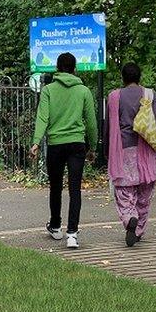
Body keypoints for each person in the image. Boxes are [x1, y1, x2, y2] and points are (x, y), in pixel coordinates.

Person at [30, 52, 98, 249]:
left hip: (55, 144)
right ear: (74, 68)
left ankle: (56, 226)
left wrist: (36, 142)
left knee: (56, 186)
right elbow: (91, 123)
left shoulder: (49, 90)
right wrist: (92, 147)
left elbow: (43, 117)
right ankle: (72, 234)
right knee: (75, 189)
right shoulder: (84, 91)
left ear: (57, 68)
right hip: (77, 144)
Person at [107, 62, 156, 247]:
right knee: (144, 193)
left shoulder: (114, 96)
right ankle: (139, 229)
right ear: (139, 76)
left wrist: (105, 152)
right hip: (147, 152)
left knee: (124, 191)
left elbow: (108, 127)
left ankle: (129, 217)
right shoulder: (150, 94)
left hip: (123, 150)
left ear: (123, 77)